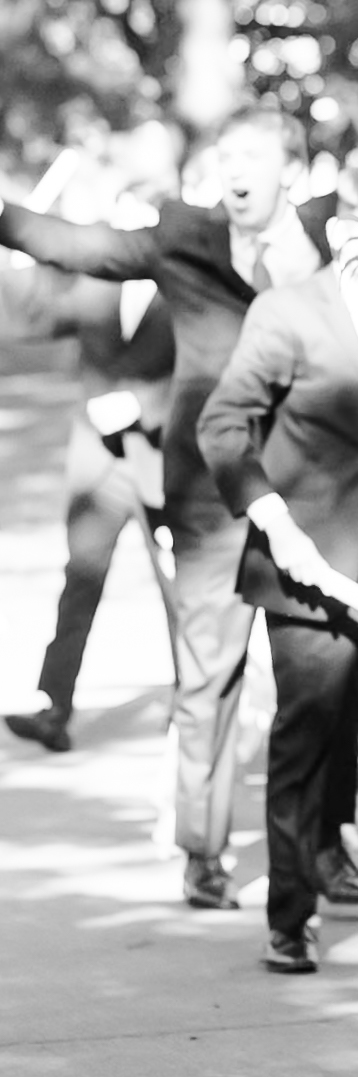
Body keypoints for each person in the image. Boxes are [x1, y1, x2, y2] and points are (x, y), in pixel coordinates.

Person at [0, 102, 336, 907]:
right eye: (227, 154)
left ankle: (320, 851)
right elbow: (77, 244)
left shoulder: (331, 234)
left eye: (252, 153)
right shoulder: (185, 232)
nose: (236, 168)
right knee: (205, 679)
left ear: (289, 164)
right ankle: (203, 852)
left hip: (317, 493)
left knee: (323, 683)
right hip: (208, 496)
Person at [196, 248, 358, 973]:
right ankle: (291, 916)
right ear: (338, 229)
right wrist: (277, 526)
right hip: (307, 556)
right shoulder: (289, 310)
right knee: (307, 737)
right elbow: (224, 424)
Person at [0, 259, 175, 752]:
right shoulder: (95, 286)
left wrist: (142, 406)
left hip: (157, 461)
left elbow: (207, 366)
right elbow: (28, 308)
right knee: (80, 580)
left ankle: (193, 714)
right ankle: (53, 705)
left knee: (178, 592)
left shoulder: (187, 282)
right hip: (97, 467)